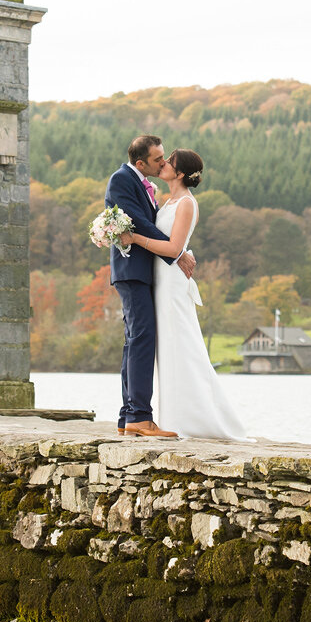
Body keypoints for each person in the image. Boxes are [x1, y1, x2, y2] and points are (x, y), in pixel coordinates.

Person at [120, 149, 250, 441]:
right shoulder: (167, 201)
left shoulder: (187, 204)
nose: (162, 164)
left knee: (181, 344)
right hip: (159, 279)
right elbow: (168, 242)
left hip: (172, 284)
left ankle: (195, 418)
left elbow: (171, 247)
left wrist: (135, 238)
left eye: (168, 163)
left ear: (179, 174)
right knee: (167, 347)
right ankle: (174, 417)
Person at [106, 135, 195, 437]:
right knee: (142, 338)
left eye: (165, 158)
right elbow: (140, 223)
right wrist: (177, 252)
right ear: (141, 162)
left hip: (143, 271)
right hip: (132, 270)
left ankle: (128, 417)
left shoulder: (146, 185)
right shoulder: (122, 179)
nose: (163, 163)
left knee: (135, 340)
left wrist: (177, 250)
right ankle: (140, 417)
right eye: (158, 159)